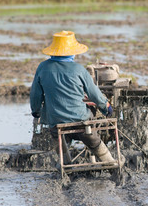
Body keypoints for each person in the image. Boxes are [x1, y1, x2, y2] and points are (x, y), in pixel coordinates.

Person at [30, 30, 117, 164]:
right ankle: (110, 161)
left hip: (55, 120)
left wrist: (36, 111)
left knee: (59, 136)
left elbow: (35, 94)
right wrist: (106, 107)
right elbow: (94, 93)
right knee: (91, 138)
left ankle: (65, 162)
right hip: (80, 119)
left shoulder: (42, 68)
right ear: (72, 52)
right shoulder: (79, 69)